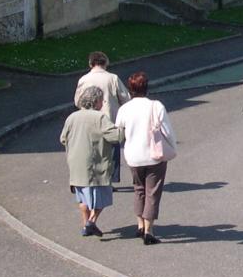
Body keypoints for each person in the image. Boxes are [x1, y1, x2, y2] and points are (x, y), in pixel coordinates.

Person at [115, 72, 177, 244]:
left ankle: (140, 225)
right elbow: (167, 131)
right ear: (147, 88)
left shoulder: (124, 109)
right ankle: (149, 231)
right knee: (153, 193)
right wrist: (172, 147)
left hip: (133, 156)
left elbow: (118, 132)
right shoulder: (156, 106)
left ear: (130, 89)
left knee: (138, 189)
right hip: (154, 156)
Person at [59, 85, 124, 237]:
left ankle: (85, 224)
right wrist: (124, 128)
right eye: (102, 100)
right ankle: (91, 222)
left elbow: (63, 138)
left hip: (76, 164)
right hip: (95, 165)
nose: (103, 103)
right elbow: (116, 137)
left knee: (82, 196)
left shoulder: (72, 117)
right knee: (102, 195)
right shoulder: (99, 117)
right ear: (97, 101)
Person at [74, 51, 129, 184]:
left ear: (90, 63)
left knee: (92, 151)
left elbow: (77, 101)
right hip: (109, 120)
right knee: (111, 152)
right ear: (105, 63)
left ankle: (92, 178)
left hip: (88, 121)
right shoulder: (113, 78)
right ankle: (110, 179)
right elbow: (126, 98)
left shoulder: (83, 79)